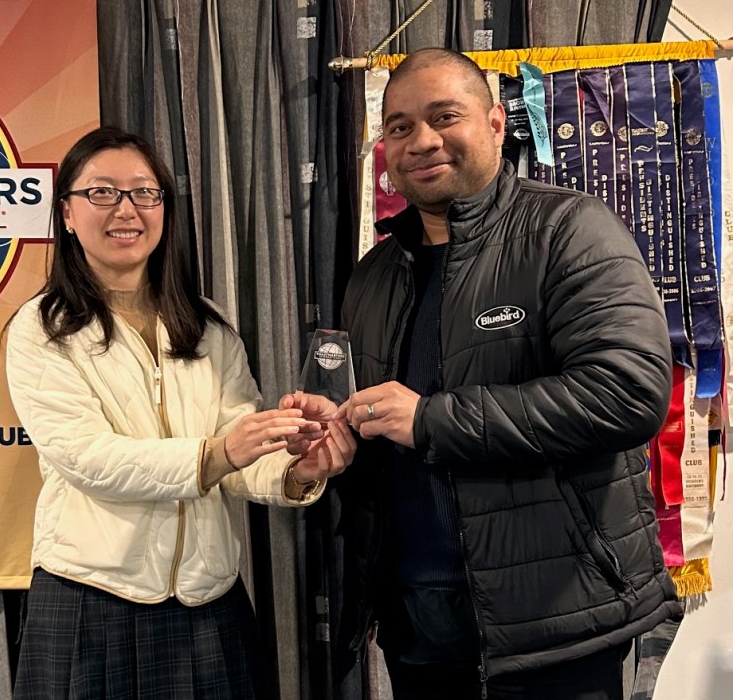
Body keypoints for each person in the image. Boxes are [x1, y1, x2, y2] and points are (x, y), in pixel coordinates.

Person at [292, 49, 681, 699]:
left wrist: (430, 419)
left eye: (445, 116)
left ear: (497, 124)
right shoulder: (374, 275)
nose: (422, 140)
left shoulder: (568, 229)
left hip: (555, 625)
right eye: (399, 126)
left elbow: (627, 393)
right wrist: (335, 449)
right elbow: (387, 441)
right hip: (418, 631)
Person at [5, 127, 355, 699]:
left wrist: (297, 467)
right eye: (101, 192)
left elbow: (237, 448)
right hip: (91, 599)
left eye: (144, 192)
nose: (126, 209)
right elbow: (85, 458)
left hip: (208, 599)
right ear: (66, 212)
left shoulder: (207, 324)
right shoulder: (43, 328)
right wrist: (217, 454)